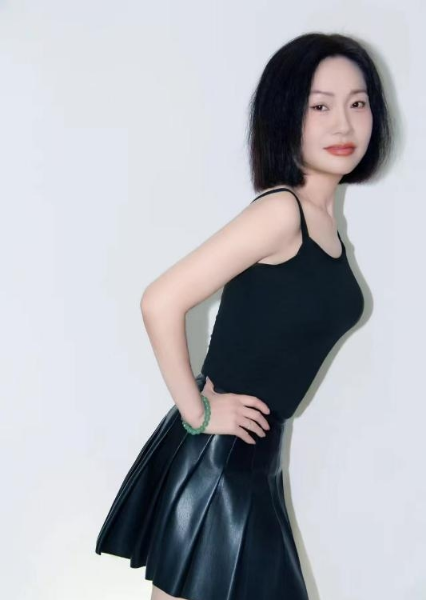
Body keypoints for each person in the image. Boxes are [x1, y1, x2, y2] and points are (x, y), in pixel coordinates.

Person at [95, 32, 393, 600]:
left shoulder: (326, 226)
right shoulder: (282, 212)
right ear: (285, 116)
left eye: (358, 104)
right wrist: (198, 412)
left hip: (255, 462)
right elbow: (161, 300)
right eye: (320, 106)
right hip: (221, 462)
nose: (343, 124)